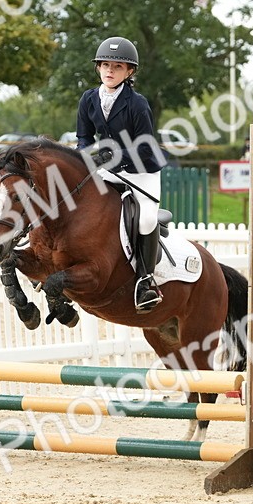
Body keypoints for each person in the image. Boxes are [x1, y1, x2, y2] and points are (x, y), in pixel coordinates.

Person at [75, 36, 166, 312]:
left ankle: (146, 281)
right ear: (98, 68)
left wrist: (112, 157)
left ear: (129, 72)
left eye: (117, 66)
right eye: (105, 64)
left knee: (147, 219)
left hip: (142, 171)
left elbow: (146, 148)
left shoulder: (137, 104)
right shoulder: (89, 99)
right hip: (107, 169)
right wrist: (87, 158)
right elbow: (83, 138)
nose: (109, 70)